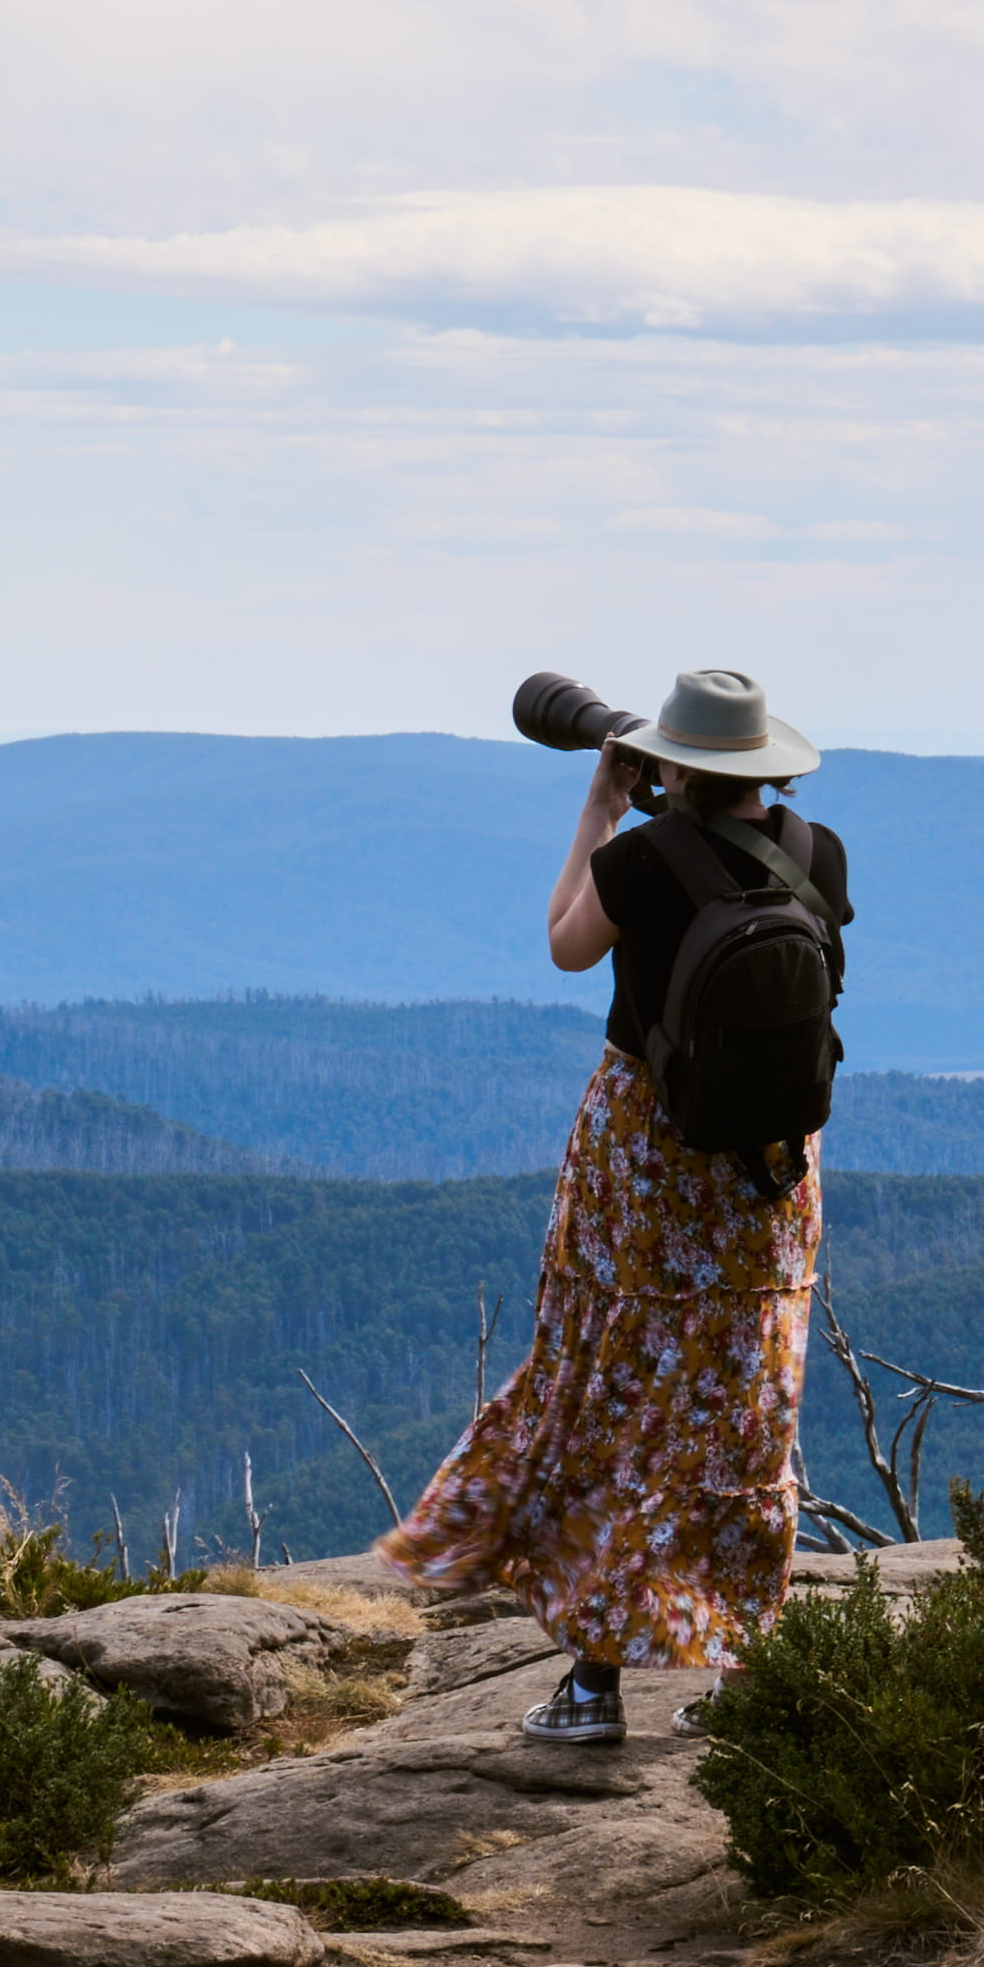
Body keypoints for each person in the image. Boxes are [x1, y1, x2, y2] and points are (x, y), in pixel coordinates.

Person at [376, 667, 842, 1746]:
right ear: (765, 766)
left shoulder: (640, 857)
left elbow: (565, 941)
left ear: (671, 764)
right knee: (743, 1412)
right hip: (772, 1176)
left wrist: (601, 801)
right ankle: (743, 1672)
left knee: (617, 1405)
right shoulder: (819, 853)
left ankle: (593, 1686)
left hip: (645, 1167)